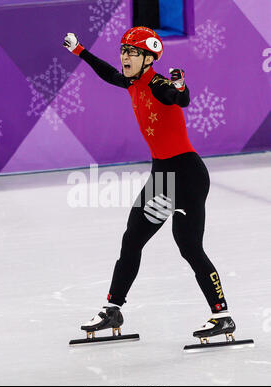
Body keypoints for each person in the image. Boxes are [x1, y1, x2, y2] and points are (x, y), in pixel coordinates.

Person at [63, 27, 235, 341]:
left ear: (148, 58)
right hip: (163, 176)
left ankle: (222, 314)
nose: (125, 57)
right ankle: (113, 309)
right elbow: (107, 73)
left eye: (132, 52)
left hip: (187, 176)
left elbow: (179, 98)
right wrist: (80, 51)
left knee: (190, 247)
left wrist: (182, 86)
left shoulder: (158, 84)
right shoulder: (132, 81)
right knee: (132, 240)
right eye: (123, 50)